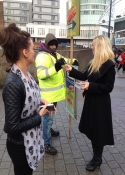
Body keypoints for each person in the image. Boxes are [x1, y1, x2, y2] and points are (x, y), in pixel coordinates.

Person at [0, 23, 53, 175]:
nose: (34, 52)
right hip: (19, 146)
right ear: (24, 52)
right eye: (32, 48)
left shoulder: (26, 75)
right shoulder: (12, 84)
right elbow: (12, 126)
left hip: (29, 141)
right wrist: (40, 115)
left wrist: (42, 102)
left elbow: (28, 97)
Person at [64, 35, 115, 171]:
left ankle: (97, 159)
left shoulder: (110, 65)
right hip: (91, 101)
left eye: (93, 45)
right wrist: (71, 70)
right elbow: (83, 75)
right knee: (92, 129)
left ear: (99, 46)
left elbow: (108, 87)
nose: (91, 47)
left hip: (101, 103)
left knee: (99, 131)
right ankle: (96, 157)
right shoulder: (94, 62)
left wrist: (90, 86)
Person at [35, 33, 79, 155]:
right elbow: (41, 75)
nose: (54, 46)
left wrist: (74, 61)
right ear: (47, 44)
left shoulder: (54, 54)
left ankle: (48, 131)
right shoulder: (42, 56)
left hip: (53, 95)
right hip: (47, 97)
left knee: (50, 117)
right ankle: (46, 143)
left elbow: (66, 61)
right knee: (47, 119)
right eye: (51, 44)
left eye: (55, 44)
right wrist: (55, 68)